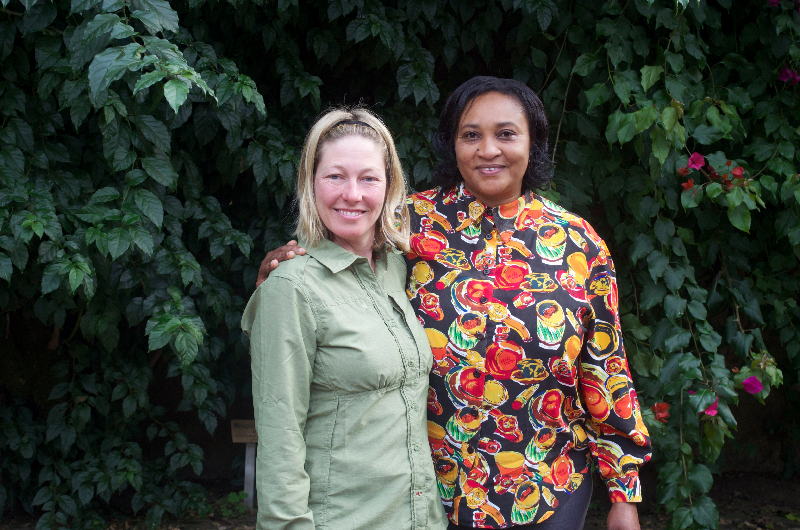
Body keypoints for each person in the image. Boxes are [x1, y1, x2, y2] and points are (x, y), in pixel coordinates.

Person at [257, 77, 652, 530]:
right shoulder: (405, 224)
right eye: (471, 134)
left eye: (506, 134)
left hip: (550, 485)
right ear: (453, 144)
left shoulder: (579, 244)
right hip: (431, 495)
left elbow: (606, 368)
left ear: (534, 142)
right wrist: (285, 263)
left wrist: (624, 492)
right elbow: (338, 261)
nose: (488, 149)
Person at [241, 107, 448, 530]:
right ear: (310, 183)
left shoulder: (398, 268)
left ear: (389, 187)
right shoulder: (291, 287)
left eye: (369, 178)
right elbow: (280, 436)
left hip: (419, 518)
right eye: (335, 176)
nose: (352, 194)